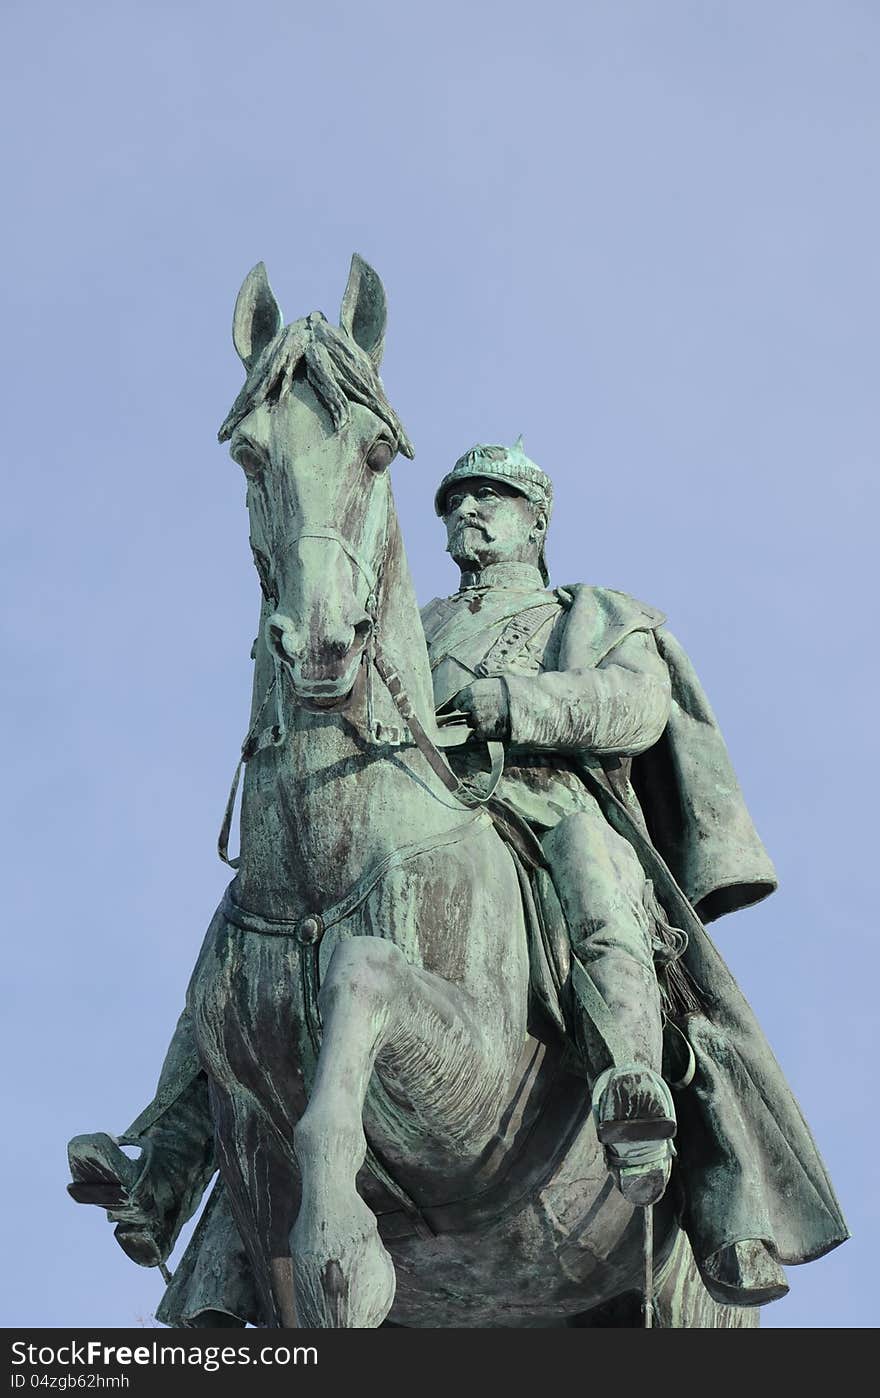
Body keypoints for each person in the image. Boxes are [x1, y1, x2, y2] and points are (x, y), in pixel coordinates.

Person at [69, 439, 848, 1321]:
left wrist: (517, 704)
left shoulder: (588, 610)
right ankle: (168, 1163)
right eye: (455, 503)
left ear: (536, 520)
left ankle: (629, 1082)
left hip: (542, 802)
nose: (467, 514)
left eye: (491, 499)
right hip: (416, 819)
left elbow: (633, 707)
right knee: (250, 931)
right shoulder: (418, 623)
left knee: (596, 865)